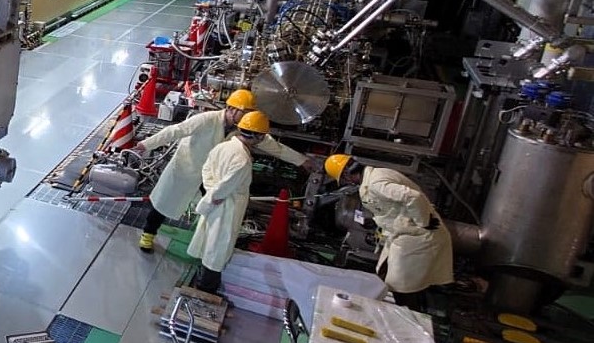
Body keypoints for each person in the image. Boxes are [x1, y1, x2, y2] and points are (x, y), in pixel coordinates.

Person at [132, 88, 320, 254]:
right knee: (163, 203)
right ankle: (148, 234)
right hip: (187, 169)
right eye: (245, 112)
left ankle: (204, 243)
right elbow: (175, 131)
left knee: (214, 209)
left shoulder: (244, 128)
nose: (247, 117)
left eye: (250, 113)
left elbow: (273, 146)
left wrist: (301, 160)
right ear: (231, 109)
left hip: (213, 176)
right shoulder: (207, 119)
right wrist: (145, 144)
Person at [324, 154, 454, 312]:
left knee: (401, 287)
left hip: (418, 236)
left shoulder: (375, 184)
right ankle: (410, 316)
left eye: (344, 180)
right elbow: (392, 208)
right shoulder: (374, 177)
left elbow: (412, 196)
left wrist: (424, 221)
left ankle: (413, 321)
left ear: (347, 175)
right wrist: (376, 222)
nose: (348, 183)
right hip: (403, 234)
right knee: (387, 275)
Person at [186, 111, 271, 293]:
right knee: (217, 250)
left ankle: (201, 281)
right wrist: (210, 201)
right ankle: (205, 290)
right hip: (225, 207)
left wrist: (209, 192)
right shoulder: (242, 160)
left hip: (216, 202)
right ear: (259, 136)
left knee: (209, 243)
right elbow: (224, 188)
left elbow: (206, 170)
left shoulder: (223, 147)